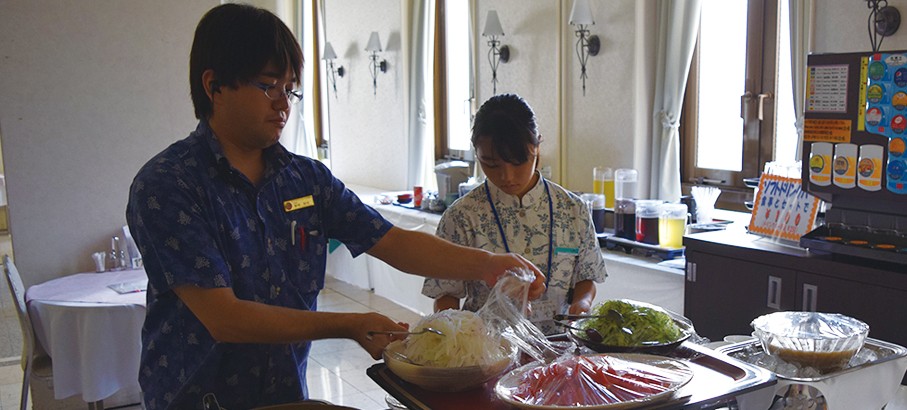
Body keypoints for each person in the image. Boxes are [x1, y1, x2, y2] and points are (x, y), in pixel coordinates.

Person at [125, 5, 545, 410]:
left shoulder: (306, 180)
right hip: (196, 397)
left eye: (290, 88)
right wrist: (346, 324)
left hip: (283, 392)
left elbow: (392, 241)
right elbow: (224, 318)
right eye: (268, 85)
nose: (283, 103)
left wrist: (487, 264)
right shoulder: (169, 185)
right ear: (214, 85)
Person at [422, 94, 607, 335]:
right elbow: (445, 293)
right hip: (488, 348)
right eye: (491, 164)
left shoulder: (573, 210)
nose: (507, 176)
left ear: (537, 147)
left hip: (559, 343)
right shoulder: (462, 216)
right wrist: (457, 335)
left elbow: (586, 277)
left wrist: (582, 304)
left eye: (518, 161)